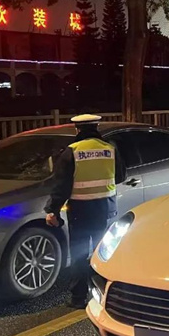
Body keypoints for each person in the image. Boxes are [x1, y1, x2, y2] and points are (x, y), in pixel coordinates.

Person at [45, 114, 116, 308]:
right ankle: (105, 296)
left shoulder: (72, 151)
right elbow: (121, 175)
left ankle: (78, 298)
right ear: (97, 127)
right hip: (105, 208)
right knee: (103, 252)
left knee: (79, 253)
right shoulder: (110, 148)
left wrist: (52, 210)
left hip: (80, 210)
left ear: (77, 129)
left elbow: (62, 185)